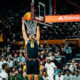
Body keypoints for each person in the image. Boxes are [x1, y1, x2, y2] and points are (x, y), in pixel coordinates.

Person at [22, 16, 40, 80]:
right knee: (29, 77)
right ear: (29, 36)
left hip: (35, 61)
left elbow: (38, 31)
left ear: (34, 36)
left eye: (33, 34)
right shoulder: (27, 41)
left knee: (36, 77)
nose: (31, 35)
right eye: (30, 34)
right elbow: (24, 31)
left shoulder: (37, 41)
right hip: (29, 60)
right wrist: (23, 23)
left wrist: (37, 23)